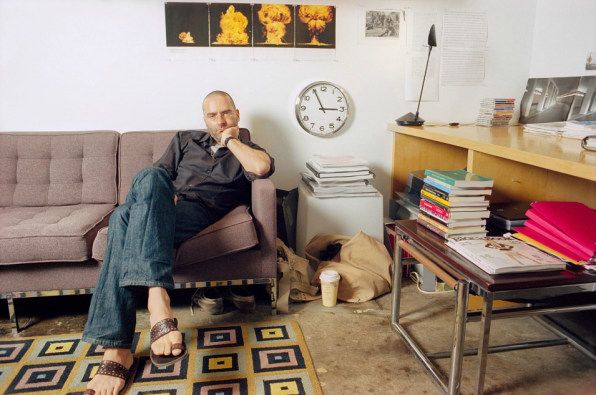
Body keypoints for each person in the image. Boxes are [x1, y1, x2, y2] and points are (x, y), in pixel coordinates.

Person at [81, 91, 274, 395]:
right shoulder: (186, 140)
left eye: (226, 113)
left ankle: (116, 349)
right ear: (204, 119)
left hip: (198, 210)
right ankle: (157, 302)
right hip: (162, 203)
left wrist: (231, 141)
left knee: (121, 220)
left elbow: (261, 169)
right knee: (149, 174)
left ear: (237, 113)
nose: (220, 120)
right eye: (212, 116)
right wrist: (160, 194)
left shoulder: (247, 149)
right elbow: (158, 174)